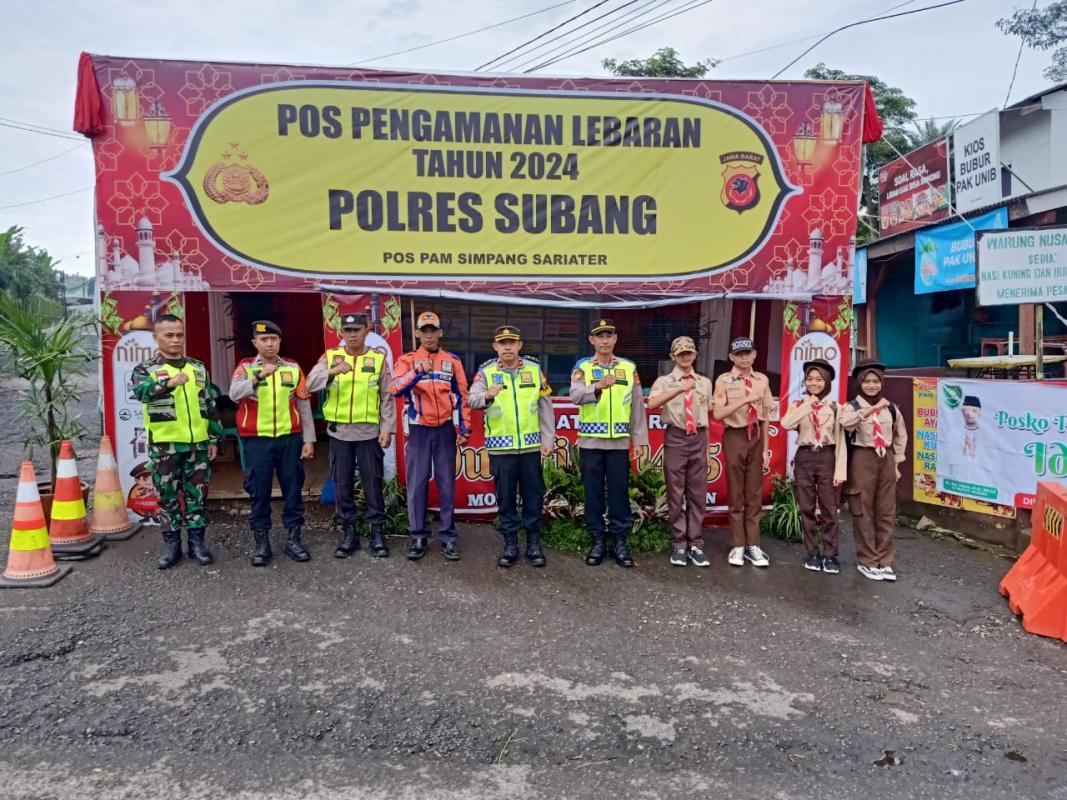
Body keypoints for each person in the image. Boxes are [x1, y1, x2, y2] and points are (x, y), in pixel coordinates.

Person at [130, 314, 221, 569]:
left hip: (197, 445)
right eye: (168, 335)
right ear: (156, 337)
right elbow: (141, 393)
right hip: (164, 446)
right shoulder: (145, 370)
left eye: (179, 335)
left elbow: (209, 404)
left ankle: (197, 544)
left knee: (197, 496)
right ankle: (172, 546)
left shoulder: (197, 367)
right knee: (167, 498)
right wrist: (169, 383)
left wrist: (214, 438)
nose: (175, 340)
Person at [307, 312, 395, 559]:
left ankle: (377, 534)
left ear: (366, 331)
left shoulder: (377, 359)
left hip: (368, 433)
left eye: (357, 330)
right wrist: (333, 371)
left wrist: (386, 428)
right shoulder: (330, 357)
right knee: (343, 484)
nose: (352, 335)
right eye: (348, 331)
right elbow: (310, 384)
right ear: (341, 333)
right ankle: (350, 534)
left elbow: (387, 397)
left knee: (373, 483)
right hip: (340, 434)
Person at [229, 320, 316, 566]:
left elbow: (304, 404)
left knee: (293, 489)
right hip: (257, 440)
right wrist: (257, 377)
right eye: (264, 340)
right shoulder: (246, 367)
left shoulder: (293, 367)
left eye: (273, 339)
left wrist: (309, 439)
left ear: (279, 341)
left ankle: (294, 540)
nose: (269, 344)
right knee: (259, 492)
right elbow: (233, 393)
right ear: (255, 343)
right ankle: (262, 543)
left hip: (290, 439)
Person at [468, 325, 555, 567]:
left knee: (533, 497)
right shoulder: (486, 372)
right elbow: (471, 399)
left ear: (519, 345)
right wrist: (487, 395)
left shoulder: (534, 370)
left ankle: (534, 544)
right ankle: (510, 544)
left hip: (530, 448)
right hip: (501, 449)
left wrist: (548, 439)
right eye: (502, 343)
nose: (507, 347)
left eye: (511, 342)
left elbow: (545, 407)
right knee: (505, 499)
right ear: (495, 346)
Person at [569, 318, 650, 568]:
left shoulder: (628, 367)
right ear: (591, 340)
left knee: (619, 494)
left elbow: (637, 406)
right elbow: (574, 396)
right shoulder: (582, 367)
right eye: (600, 336)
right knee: (593, 494)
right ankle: (597, 540)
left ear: (615, 339)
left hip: (618, 444)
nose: (604, 341)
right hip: (591, 444)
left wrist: (639, 440)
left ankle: (619, 541)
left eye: (609, 336)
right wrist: (597, 387)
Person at [391, 311, 470, 561]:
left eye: (432, 330)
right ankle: (418, 536)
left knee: (447, 484)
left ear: (440, 333)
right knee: (417, 484)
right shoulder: (407, 360)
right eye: (423, 331)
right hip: (419, 429)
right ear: (416, 333)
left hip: (445, 429)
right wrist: (416, 372)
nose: (428, 335)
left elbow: (463, 397)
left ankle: (448, 536)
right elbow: (394, 388)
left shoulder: (452, 361)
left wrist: (465, 429)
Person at [839, 359, 908, 582]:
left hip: (885, 457)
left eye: (876, 381)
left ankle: (884, 561)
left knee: (886, 511)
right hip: (862, 457)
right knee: (862, 510)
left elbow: (900, 435)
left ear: (882, 383)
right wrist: (870, 411)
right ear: (859, 383)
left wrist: (896, 464)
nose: (871, 385)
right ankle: (867, 560)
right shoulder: (851, 407)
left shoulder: (892, 408)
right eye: (867, 381)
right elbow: (845, 424)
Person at [647, 336, 713, 568]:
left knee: (698, 492)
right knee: (676, 492)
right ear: (672, 356)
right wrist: (679, 389)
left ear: (695, 355)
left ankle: (695, 543)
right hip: (676, 436)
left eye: (689, 352)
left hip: (699, 437)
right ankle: (679, 543)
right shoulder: (665, 381)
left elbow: (708, 417)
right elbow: (652, 404)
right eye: (681, 353)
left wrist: (707, 449)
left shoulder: (704, 382)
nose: (685, 357)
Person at [712, 336, 775, 568]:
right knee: (736, 491)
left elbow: (766, 416)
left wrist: (766, 448)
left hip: (756, 435)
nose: (744, 358)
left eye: (748, 353)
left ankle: (753, 544)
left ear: (755, 354)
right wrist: (744, 400)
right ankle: (738, 544)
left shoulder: (762, 380)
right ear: (731, 357)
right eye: (739, 354)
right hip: (735, 435)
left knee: (755, 492)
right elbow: (718, 413)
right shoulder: (724, 380)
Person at [780, 358, 847, 575]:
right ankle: (812, 553)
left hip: (827, 457)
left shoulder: (836, 407)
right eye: (810, 379)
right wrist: (809, 404)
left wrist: (840, 471)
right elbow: (786, 423)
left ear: (827, 381)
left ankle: (830, 554)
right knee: (806, 508)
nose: (814, 383)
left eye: (819, 379)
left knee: (829, 508)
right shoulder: (799, 405)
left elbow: (841, 441)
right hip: (805, 457)